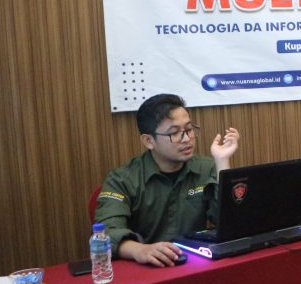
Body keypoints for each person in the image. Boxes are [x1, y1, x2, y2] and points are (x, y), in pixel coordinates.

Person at [94, 93, 240, 267]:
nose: (187, 139)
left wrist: (222, 162)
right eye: (174, 133)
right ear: (149, 141)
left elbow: (232, 224)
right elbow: (105, 233)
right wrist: (140, 250)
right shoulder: (122, 179)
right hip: (147, 269)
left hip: (194, 264)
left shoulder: (206, 168)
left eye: (189, 129)